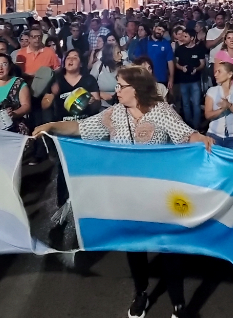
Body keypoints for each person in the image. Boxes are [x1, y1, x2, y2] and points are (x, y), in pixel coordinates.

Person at [34, 66, 215, 318]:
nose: (115, 90)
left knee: (169, 248)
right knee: (135, 247)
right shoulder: (114, 114)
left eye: (120, 86)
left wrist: (201, 139)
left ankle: (178, 303)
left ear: (136, 89)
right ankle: (141, 293)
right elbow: (80, 128)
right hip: (128, 197)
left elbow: (186, 135)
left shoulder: (161, 112)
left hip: (159, 194)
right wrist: (51, 125)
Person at [203, 61, 233, 151]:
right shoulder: (212, 91)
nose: (215, 74)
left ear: (229, 74)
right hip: (214, 136)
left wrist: (230, 106)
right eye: (215, 72)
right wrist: (222, 109)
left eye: (219, 71)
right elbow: (208, 114)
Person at [44, 50, 102, 121]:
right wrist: (52, 94)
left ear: (81, 64)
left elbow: (97, 106)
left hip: (84, 124)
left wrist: (93, 101)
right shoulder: (56, 79)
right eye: (68, 58)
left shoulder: (89, 80)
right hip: (62, 125)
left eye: (75, 58)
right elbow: (44, 105)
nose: (71, 60)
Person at [173, 27, 207, 127]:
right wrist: (181, 68)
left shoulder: (199, 49)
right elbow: (176, 63)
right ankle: (188, 124)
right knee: (186, 104)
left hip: (195, 81)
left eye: (185, 36)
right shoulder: (179, 49)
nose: (182, 38)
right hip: (183, 81)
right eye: (182, 36)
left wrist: (196, 69)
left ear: (192, 38)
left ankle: (196, 126)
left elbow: (202, 63)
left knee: (196, 104)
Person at [90, 41, 123, 109]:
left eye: (120, 52)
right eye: (118, 53)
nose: (121, 55)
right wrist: (100, 93)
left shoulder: (124, 66)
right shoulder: (98, 66)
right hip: (101, 105)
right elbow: (89, 85)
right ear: (110, 55)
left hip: (120, 105)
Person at [145, 22, 175, 91]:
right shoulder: (144, 42)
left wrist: (171, 78)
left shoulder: (166, 44)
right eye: (159, 29)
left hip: (162, 78)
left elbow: (170, 62)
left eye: (162, 31)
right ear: (154, 28)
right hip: (146, 78)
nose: (160, 32)